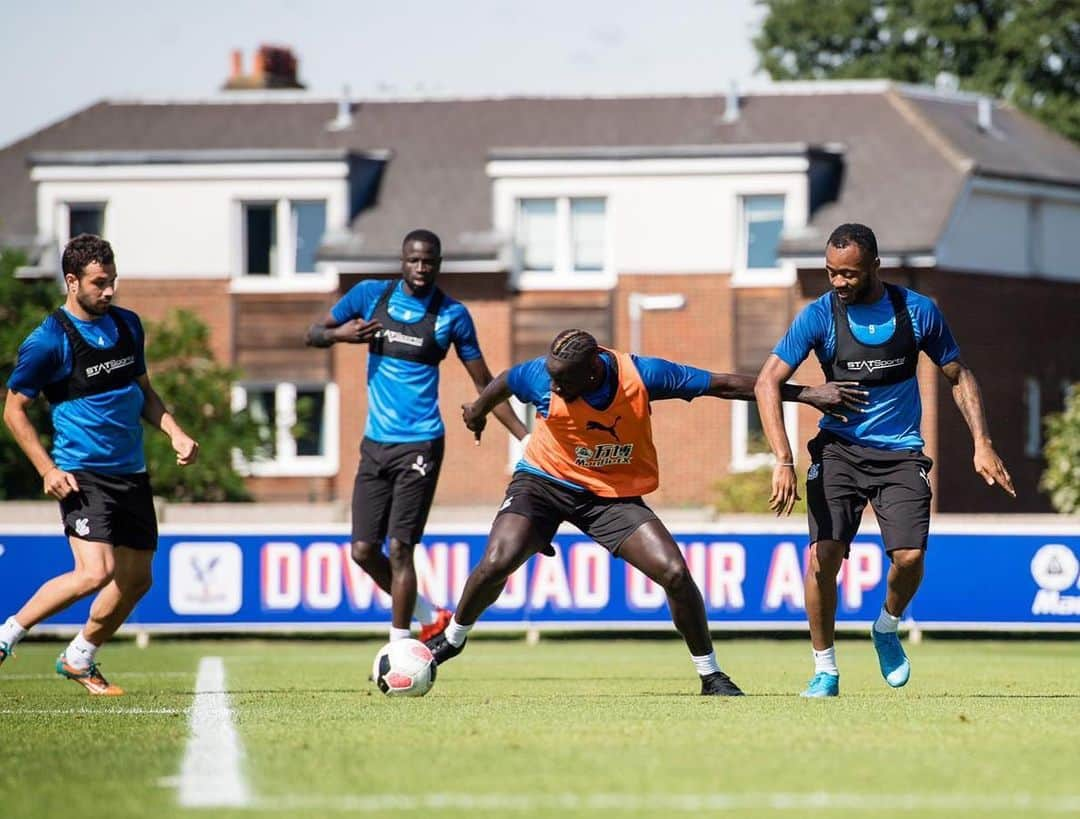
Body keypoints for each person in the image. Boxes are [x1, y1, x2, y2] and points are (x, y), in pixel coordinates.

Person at [425, 329, 864, 695]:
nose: (553, 387)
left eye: (563, 382)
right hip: (543, 482)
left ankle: (710, 674)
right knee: (499, 560)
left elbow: (723, 385)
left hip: (609, 496)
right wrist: (477, 411)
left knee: (674, 572)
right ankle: (453, 638)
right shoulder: (542, 376)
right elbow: (503, 381)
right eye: (552, 378)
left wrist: (806, 393)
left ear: (595, 367)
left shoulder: (645, 375)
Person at [754, 223, 1015, 698]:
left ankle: (887, 627)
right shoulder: (818, 317)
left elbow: (959, 375)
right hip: (838, 452)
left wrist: (982, 441)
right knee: (822, 556)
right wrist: (782, 459)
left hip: (899, 454)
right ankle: (825, 669)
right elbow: (766, 382)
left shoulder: (917, 312)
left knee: (910, 558)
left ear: (875, 266)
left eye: (849, 274)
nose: (838, 283)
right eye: (831, 273)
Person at [305, 229, 527, 644]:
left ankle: (399, 647)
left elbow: (485, 383)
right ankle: (428, 615)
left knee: (401, 547)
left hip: (421, 444)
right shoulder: (370, 296)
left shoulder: (452, 315)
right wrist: (339, 335)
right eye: (414, 260)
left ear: (438, 264)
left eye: (429, 261)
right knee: (363, 551)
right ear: (402, 261)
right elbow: (312, 333)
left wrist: (523, 436)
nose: (421, 268)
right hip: (375, 444)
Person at [0, 234, 199, 695]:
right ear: (72, 282)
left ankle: (80, 656)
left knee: (136, 580)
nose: (109, 292)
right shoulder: (49, 339)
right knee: (95, 571)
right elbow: (13, 410)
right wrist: (48, 469)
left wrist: (175, 431)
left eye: (113, 281)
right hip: (83, 473)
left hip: (131, 473)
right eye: (99, 283)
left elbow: (144, 393)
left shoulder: (128, 325)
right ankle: (8, 633)